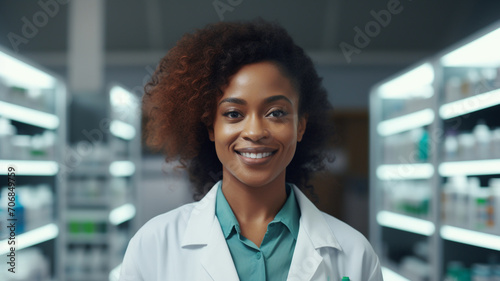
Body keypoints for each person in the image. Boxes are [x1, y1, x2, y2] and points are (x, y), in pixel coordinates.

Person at [119, 19, 383, 281]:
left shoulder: (355, 255)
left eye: (276, 112)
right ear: (211, 127)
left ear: (300, 126)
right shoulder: (152, 247)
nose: (255, 132)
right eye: (234, 113)